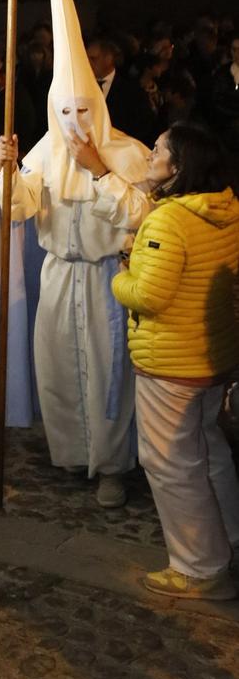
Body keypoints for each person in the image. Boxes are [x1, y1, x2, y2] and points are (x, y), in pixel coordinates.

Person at [0, 0, 150, 510]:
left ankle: (111, 463)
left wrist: (100, 171)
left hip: (111, 279)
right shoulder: (43, 152)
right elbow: (17, 206)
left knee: (111, 377)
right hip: (60, 277)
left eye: (84, 110)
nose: (75, 122)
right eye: (65, 112)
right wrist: (7, 173)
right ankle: (70, 453)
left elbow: (143, 218)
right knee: (60, 369)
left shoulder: (130, 152)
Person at [109, 122, 239, 599]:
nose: (150, 155)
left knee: (169, 462)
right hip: (211, 354)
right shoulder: (226, 208)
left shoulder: (168, 220)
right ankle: (229, 540)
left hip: (172, 359)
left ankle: (199, 567)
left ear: (177, 166)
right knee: (209, 452)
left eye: (158, 150)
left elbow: (149, 295)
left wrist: (121, 273)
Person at [87, 34, 156, 146]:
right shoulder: (81, 84)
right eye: (86, 58)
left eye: (93, 59)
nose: (88, 63)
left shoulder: (131, 90)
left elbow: (143, 125)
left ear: (108, 59)